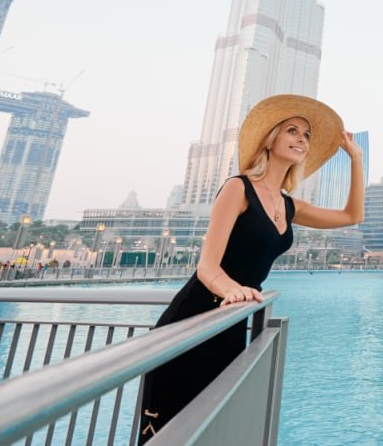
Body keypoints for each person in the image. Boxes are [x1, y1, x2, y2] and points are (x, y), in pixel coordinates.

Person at [138, 94, 364, 442]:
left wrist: (356, 158)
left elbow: (352, 216)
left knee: (211, 430)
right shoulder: (238, 188)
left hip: (230, 325)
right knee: (164, 435)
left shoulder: (290, 206)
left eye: (306, 135)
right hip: (192, 321)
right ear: (271, 139)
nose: (301, 139)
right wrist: (231, 289)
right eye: (292, 130)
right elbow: (207, 267)